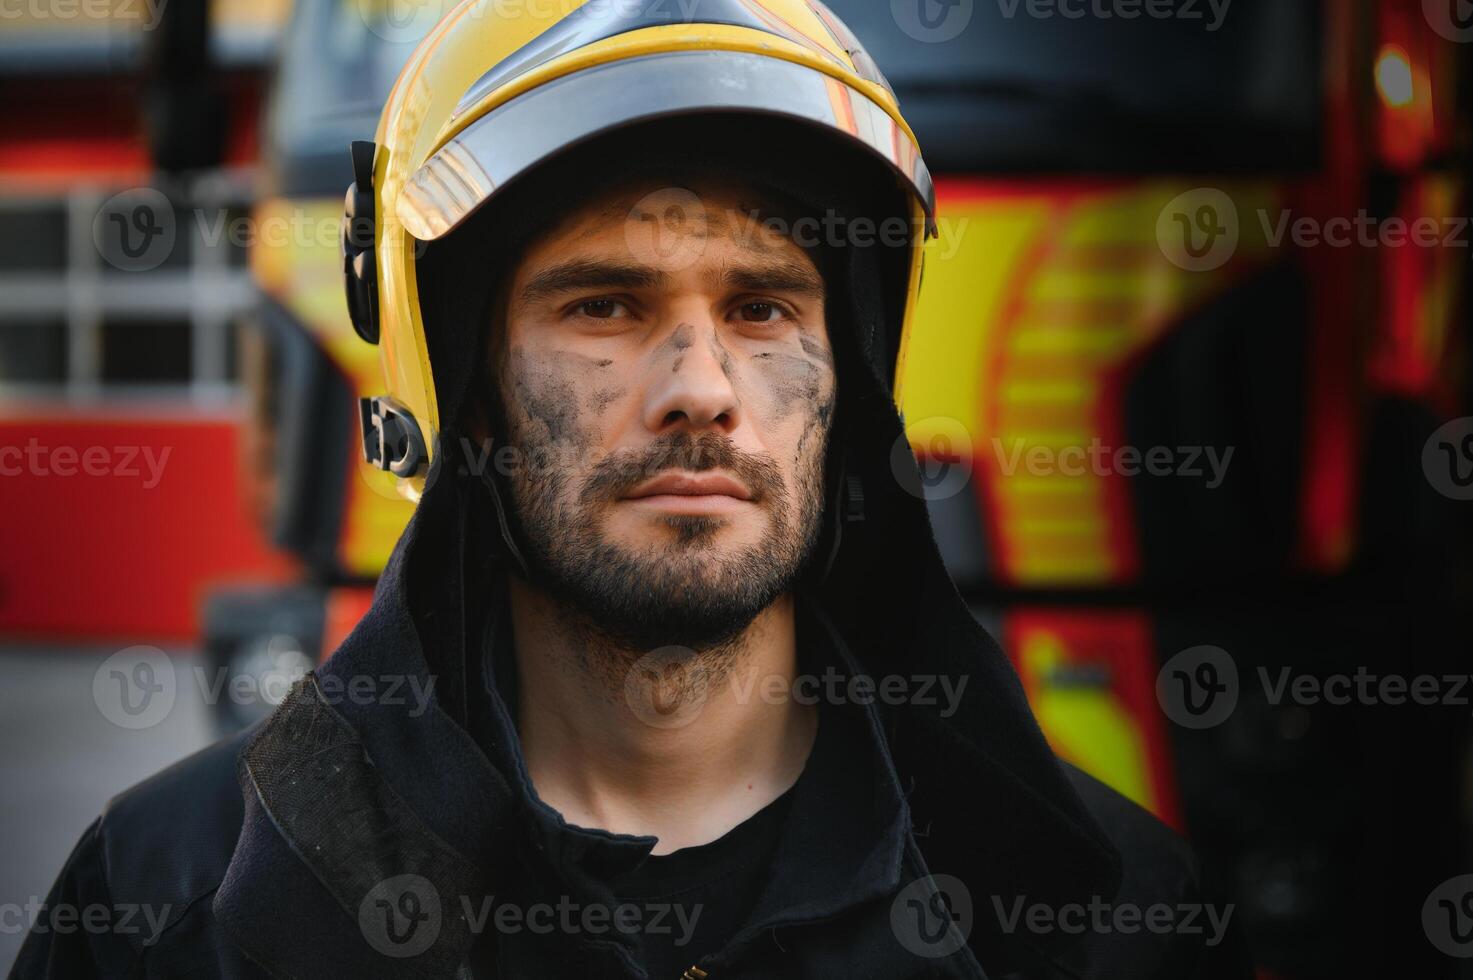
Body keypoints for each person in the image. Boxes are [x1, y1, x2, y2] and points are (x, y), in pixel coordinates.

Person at [12, 2, 1249, 977]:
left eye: (763, 307)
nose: (702, 386)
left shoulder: (1103, 922)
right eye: (605, 305)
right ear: (465, 382)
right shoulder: (174, 906)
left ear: (847, 382)